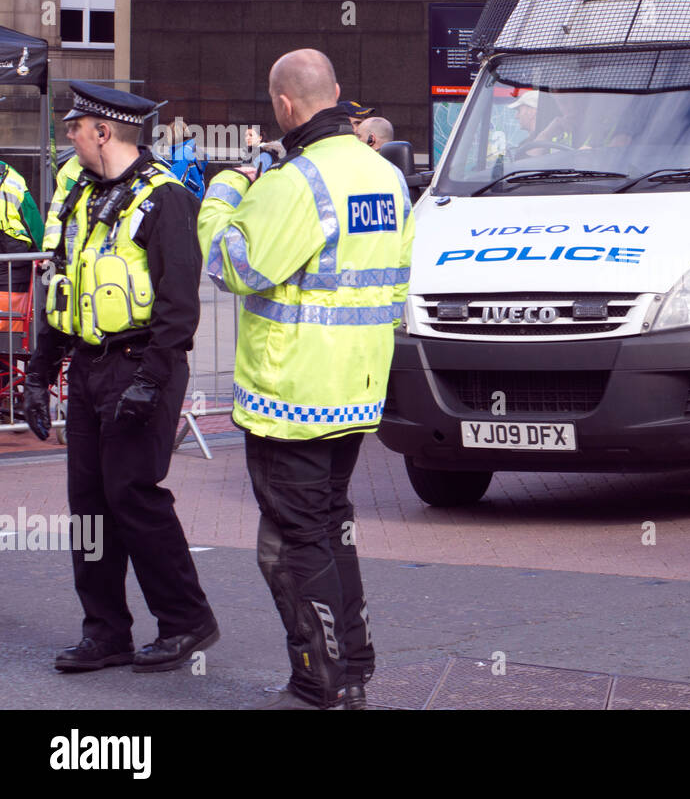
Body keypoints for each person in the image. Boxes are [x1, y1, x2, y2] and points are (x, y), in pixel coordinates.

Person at [198, 49, 412, 710]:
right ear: (338, 93)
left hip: (292, 394)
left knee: (294, 544)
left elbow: (231, 263)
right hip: (354, 388)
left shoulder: (295, 184)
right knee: (330, 528)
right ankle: (353, 667)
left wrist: (225, 194)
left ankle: (319, 682)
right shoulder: (386, 178)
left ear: (285, 107)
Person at [24, 81, 218, 673]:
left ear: (103, 132)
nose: (69, 136)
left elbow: (178, 308)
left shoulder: (167, 201)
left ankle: (186, 621)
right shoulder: (79, 196)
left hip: (142, 366)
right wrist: (39, 375)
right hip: (87, 368)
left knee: (133, 496)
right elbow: (67, 290)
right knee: (88, 504)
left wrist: (149, 383)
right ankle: (105, 631)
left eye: (76, 127)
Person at [0, 156, 41, 297]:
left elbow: (31, 219)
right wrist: (42, 252)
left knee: (11, 312)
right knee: (11, 313)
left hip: (11, 254)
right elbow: (32, 220)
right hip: (13, 255)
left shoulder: (13, 178)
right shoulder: (13, 177)